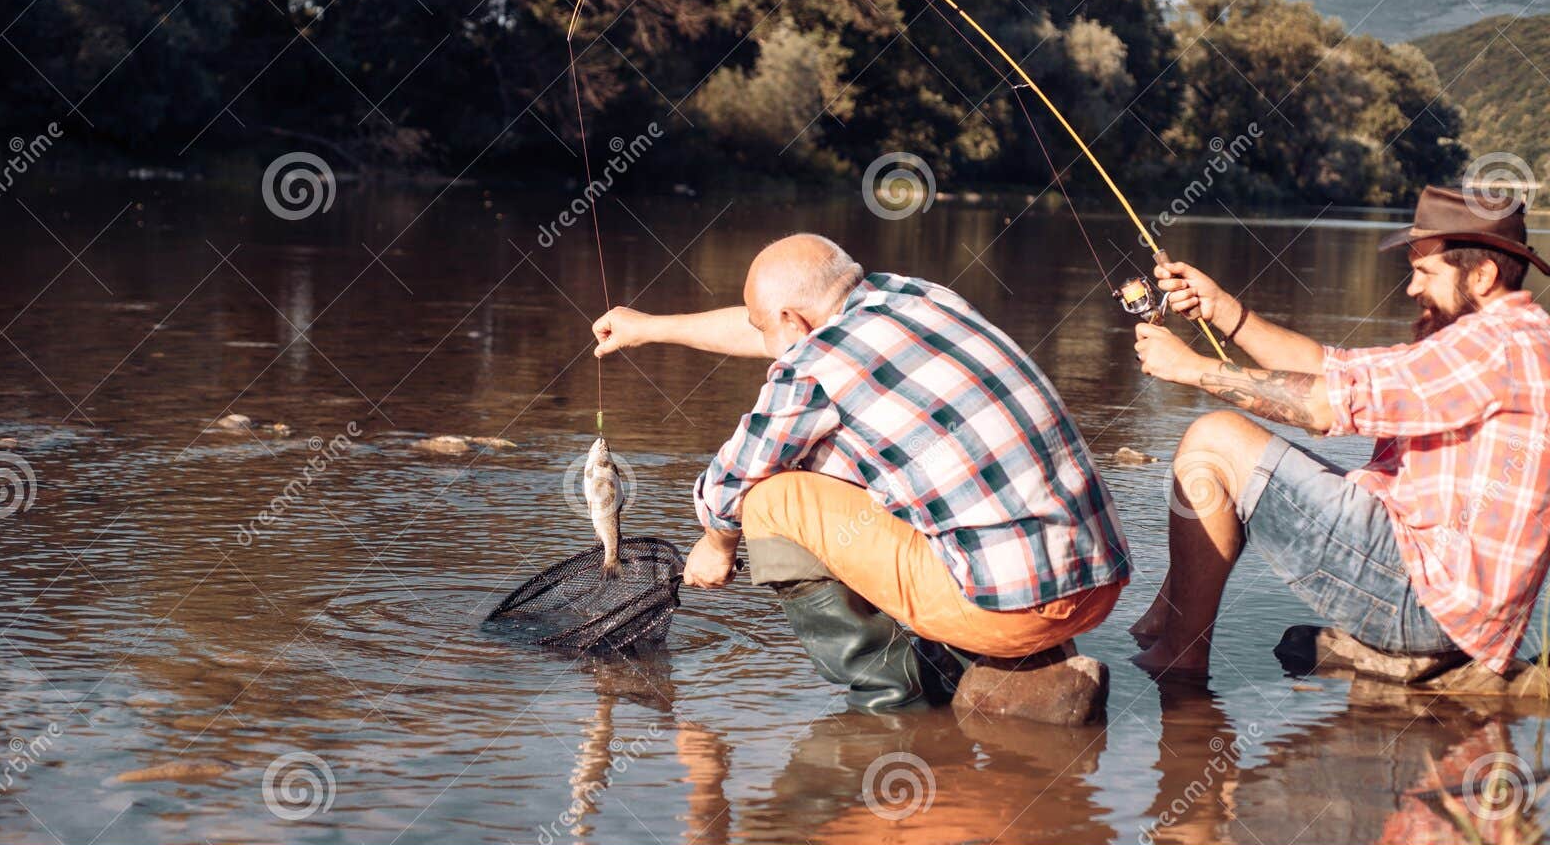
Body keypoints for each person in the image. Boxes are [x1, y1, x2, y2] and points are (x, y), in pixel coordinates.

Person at [592, 234, 1130, 712]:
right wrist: (650, 328)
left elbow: (730, 480)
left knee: (768, 498)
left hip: (1008, 608)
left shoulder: (812, 367)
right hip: (1098, 583)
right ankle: (1028, 678)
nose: (765, 341)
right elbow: (771, 330)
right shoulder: (918, 297)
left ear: (793, 323)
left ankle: (897, 699)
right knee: (862, 463)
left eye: (766, 325)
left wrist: (716, 542)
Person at [1131, 185, 1550, 677]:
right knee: (1230, 458)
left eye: (1424, 272)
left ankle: (1178, 662)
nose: (1413, 288)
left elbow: (1321, 407)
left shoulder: (1490, 346)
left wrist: (1191, 369)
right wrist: (1221, 309)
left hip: (1428, 607)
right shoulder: (1507, 337)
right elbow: (1329, 368)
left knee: (1215, 441)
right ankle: (1168, 624)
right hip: (1449, 602)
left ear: (1482, 275)